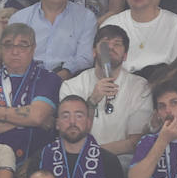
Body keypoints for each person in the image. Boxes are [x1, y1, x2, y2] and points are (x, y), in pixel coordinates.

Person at [58, 26, 152, 156]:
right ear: (94, 52)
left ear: (125, 56)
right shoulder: (71, 86)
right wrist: (92, 101)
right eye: (105, 43)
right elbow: (73, 135)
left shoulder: (140, 86)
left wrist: (94, 153)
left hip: (121, 157)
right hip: (80, 156)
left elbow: (134, 142)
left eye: (117, 44)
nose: (110, 47)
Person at [0, 22, 61, 164]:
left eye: (22, 45)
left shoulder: (48, 78)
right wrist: (29, 120)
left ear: (33, 49)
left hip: (36, 163)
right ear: (1, 49)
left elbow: (36, 116)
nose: (15, 51)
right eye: (8, 45)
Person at [8, 0, 97, 78]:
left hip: (67, 81)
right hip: (27, 79)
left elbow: (85, 57)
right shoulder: (20, 19)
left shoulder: (86, 17)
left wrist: (64, 73)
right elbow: (11, 55)